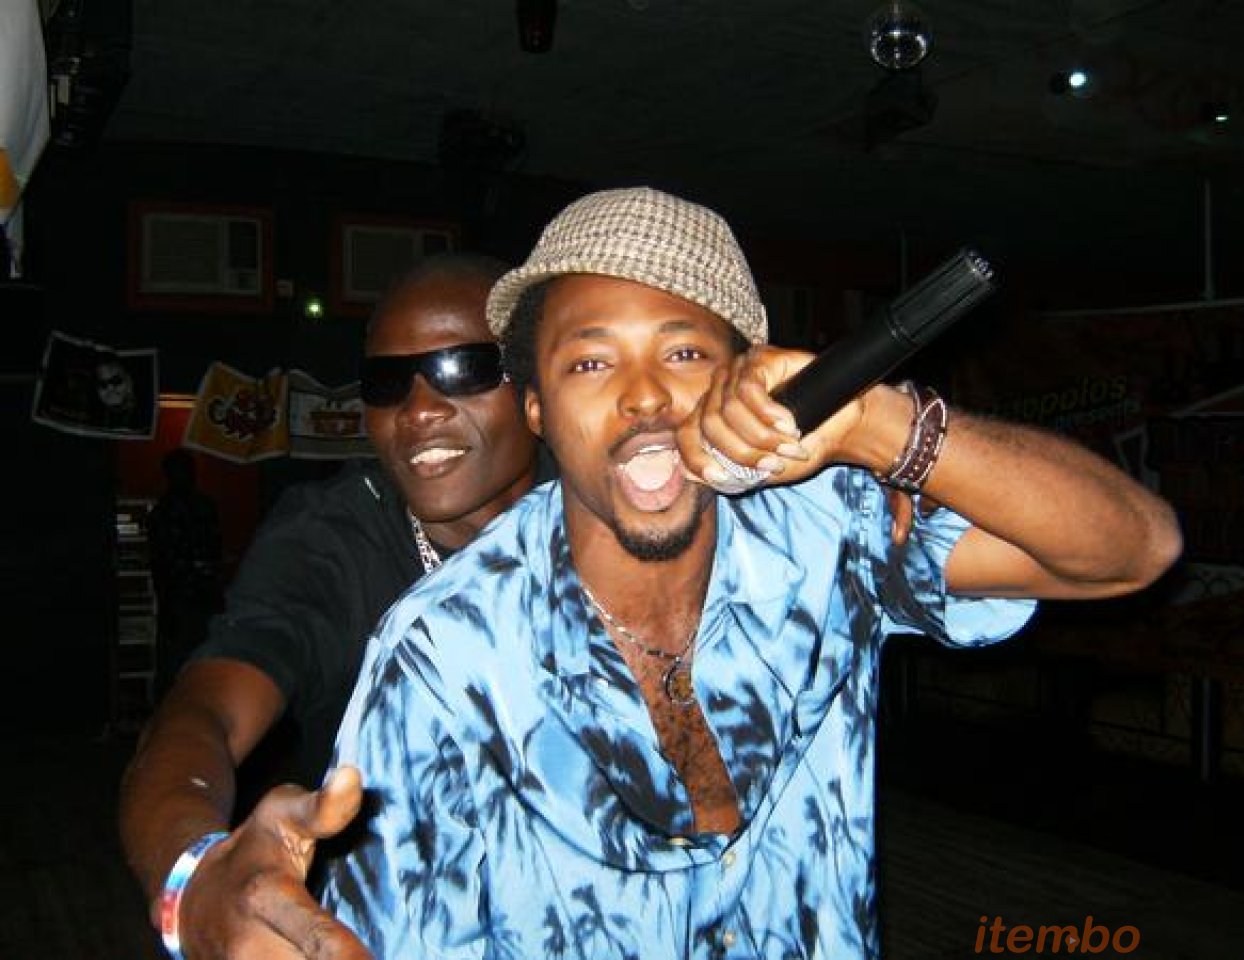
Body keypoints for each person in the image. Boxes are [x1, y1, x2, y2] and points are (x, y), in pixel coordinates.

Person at [315, 187, 1182, 959]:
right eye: (591, 361)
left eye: (684, 354)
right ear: (536, 407)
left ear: (745, 379)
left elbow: (1135, 550)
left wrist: (878, 428)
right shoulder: (444, 656)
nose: (644, 396)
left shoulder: (824, 531)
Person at [118, 252, 547, 960]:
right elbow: (205, 712)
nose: (418, 409)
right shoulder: (331, 541)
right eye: (387, 383)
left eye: (463, 368)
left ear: (536, 389)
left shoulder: (598, 509)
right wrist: (193, 879)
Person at [146, 447, 224, 699]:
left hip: (189, 597)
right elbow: (162, 561)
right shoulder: (173, 511)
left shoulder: (166, 511)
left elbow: (160, 562)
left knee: (184, 661)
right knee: (186, 660)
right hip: (186, 597)